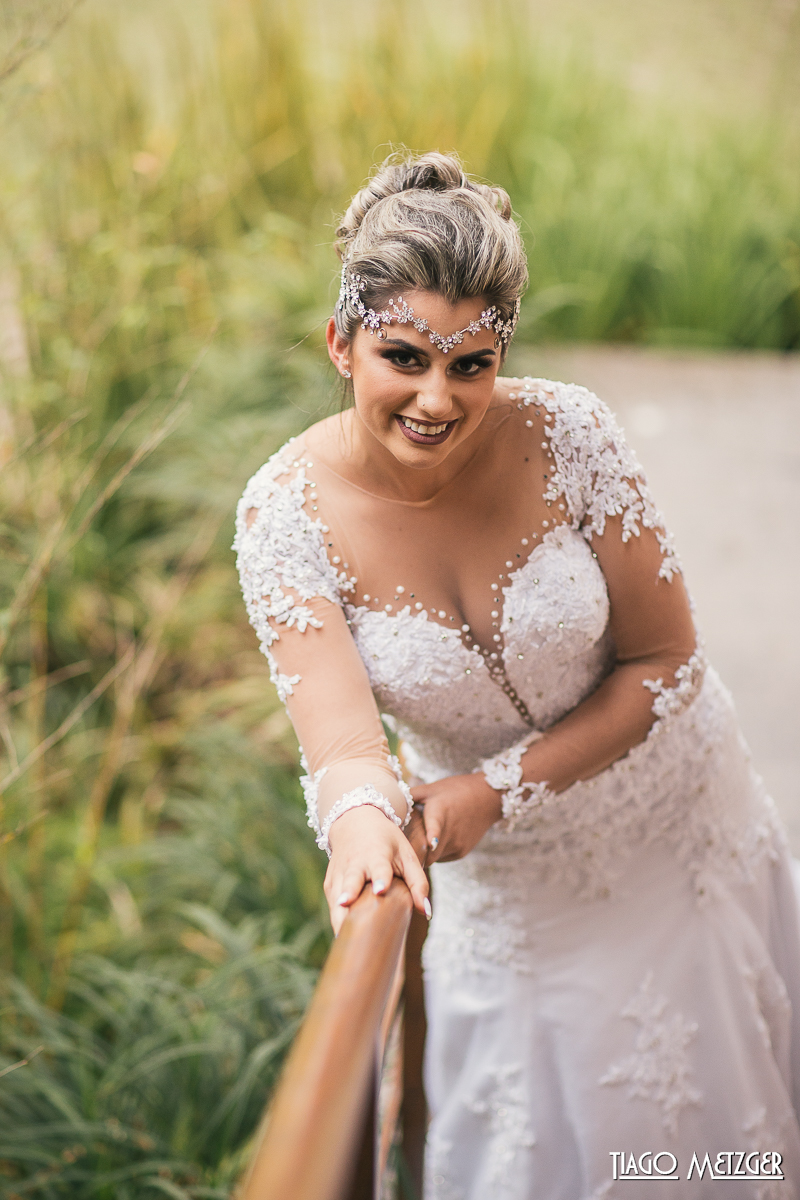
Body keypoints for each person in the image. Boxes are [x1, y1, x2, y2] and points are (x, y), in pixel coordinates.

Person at [234, 151, 800, 1198]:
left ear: (502, 352)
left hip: (674, 838)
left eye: (471, 364)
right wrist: (363, 825)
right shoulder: (282, 522)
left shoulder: (570, 434)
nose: (437, 400)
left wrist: (494, 791)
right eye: (402, 356)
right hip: (510, 903)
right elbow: (348, 751)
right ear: (339, 344)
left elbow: (665, 658)